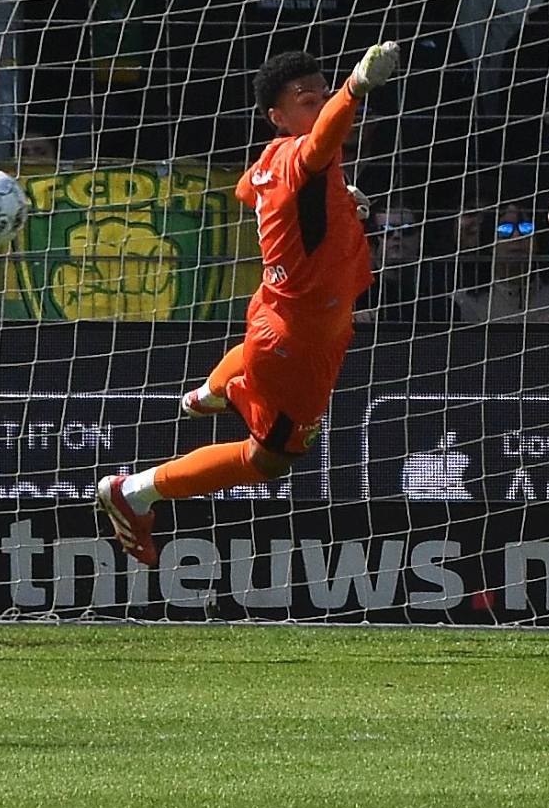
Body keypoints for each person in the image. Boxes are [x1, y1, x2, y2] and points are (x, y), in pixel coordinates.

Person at [93, 43, 402, 564]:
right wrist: (354, 89)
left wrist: (338, 199)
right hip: (300, 337)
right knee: (271, 460)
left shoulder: (271, 158)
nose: (319, 105)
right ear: (279, 116)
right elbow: (324, 136)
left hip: (278, 309)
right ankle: (135, 490)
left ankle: (212, 392)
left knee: (258, 374)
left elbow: (246, 190)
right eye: (308, 100)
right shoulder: (306, 151)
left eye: (323, 94)